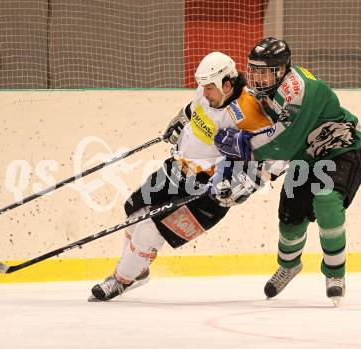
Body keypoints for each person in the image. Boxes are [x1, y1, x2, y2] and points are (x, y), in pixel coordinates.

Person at [88, 51, 273, 301]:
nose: (204, 93)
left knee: (148, 233)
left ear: (227, 85)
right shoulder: (205, 93)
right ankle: (137, 271)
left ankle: (121, 280)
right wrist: (179, 121)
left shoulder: (250, 112)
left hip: (208, 192)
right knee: (133, 211)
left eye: (209, 88)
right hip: (177, 169)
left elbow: (274, 156)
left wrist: (246, 184)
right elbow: (191, 109)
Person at [212, 37, 361, 305]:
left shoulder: (299, 91)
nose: (258, 77)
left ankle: (335, 273)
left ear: (282, 69)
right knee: (290, 217)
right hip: (304, 155)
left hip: (339, 148)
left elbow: (282, 144)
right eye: (254, 69)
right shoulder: (264, 92)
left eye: (265, 71)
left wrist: (244, 148)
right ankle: (289, 265)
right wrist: (248, 174)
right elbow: (279, 144)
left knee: (326, 200)